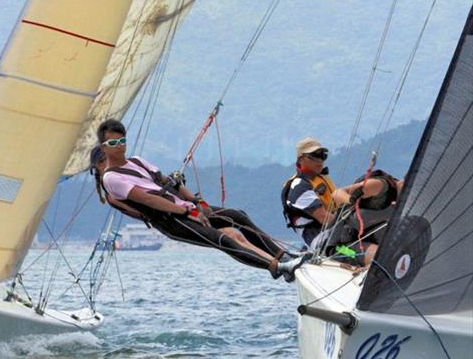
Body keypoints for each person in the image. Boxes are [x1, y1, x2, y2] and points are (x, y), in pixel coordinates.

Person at [93, 120, 305, 281]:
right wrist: (187, 213)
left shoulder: (137, 160)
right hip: (171, 220)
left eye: (122, 141)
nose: (119, 146)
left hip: (185, 207)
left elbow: (168, 182)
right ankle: (277, 267)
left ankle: (282, 255)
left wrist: (197, 202)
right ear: (103, 147)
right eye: (113, 143)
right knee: (222, 240)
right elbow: (148, 199)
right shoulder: (111, 178)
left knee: (236, 216)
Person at [281, 137, 402, 266]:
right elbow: (325, 219)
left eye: (323, 155)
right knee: (375, 255)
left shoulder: (321, 179)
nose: (320, 160)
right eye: (314, 156)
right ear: (300, 159)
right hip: (327, 243)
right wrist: (356, 219)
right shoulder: (298, 187)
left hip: (345, 232)